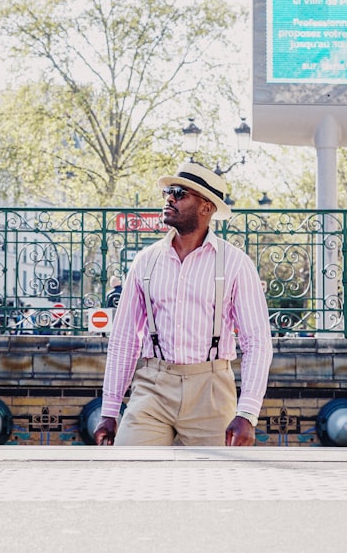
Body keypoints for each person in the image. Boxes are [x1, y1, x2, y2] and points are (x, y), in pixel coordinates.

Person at [93, 162, 273, 447]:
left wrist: (248, 413)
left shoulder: (236, 264)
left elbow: (257, 342)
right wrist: (109, 410)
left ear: (206, 207)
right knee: (128, 471)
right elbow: (125, 339)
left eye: (179, 193)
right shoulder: (146, 260)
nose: (169, 198)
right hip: (153, 385)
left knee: (213, 484)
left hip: (211, 389)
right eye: (168, 192)